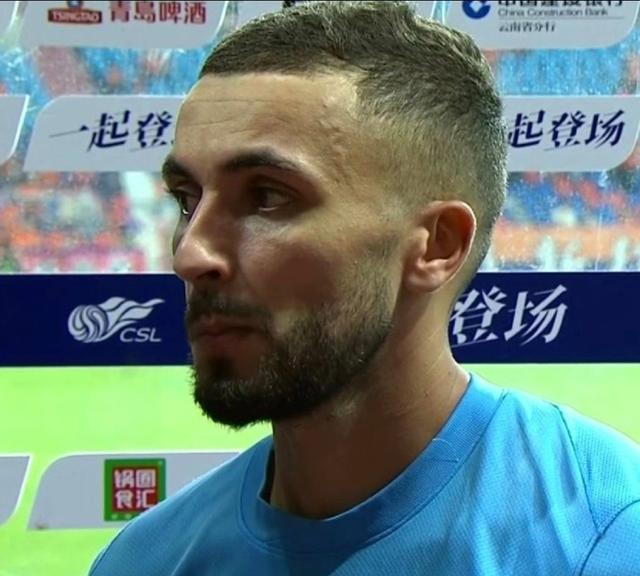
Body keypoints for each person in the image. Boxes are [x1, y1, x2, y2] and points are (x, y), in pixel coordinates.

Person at [89, 2, 640, 574]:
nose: (189, 254)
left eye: (267, 197)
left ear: (437, 246)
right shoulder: (144, 560)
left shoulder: (606, 538)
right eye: (187, 200)